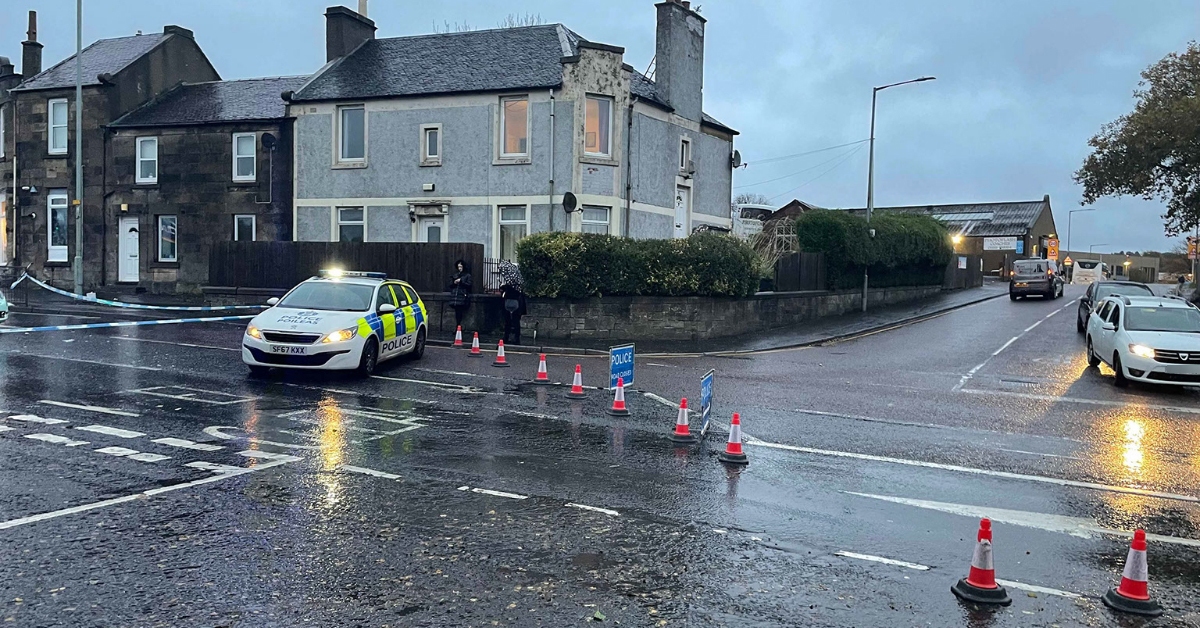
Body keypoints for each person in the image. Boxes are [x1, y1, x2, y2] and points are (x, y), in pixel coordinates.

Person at [498, 260, 527, 345]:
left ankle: (506, 337)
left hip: (509, 302)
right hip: (518, 303)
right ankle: (516, 338)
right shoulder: (518, 283)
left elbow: (507, 292)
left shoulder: (509, 283)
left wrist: (503, 287)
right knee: (516, 322)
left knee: (508, 321)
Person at [448, 260, 472, 328]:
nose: (460, 268)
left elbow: (469, 285)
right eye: (458, 267)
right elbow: (450, 285)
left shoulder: (467, 275)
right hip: (455, 295)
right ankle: (458, 325)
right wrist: (454, 283)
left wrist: (461, 281)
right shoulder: (455, 274)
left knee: (459, 311)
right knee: (457, 312)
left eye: (461, 267)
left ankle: (458, 326)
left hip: (462, 295)